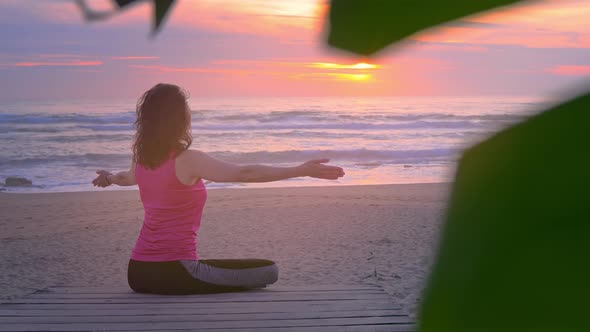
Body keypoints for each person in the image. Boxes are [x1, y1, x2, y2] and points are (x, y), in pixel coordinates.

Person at [92, 83, 345, 295]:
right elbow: (243, 173)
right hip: (175, 272)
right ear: (179, 118)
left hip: (137, 272)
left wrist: (109, 178)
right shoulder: (188, 159)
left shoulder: (143, 158)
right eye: (186, 109)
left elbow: (128, 178)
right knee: (269, 270)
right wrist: (300, 170)